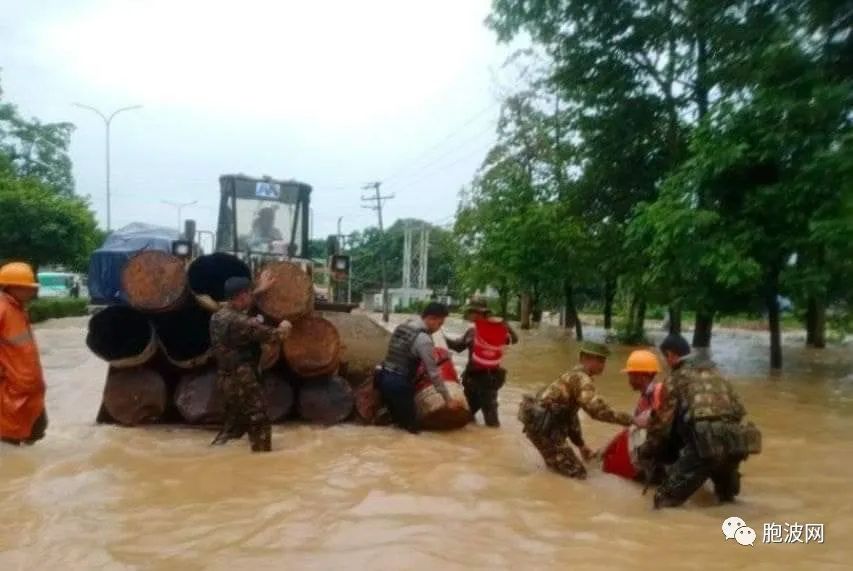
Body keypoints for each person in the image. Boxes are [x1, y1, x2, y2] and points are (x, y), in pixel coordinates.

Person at [640, 333, 762, 508]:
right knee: (726, 501)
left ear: (670, 355)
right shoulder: (718, 374)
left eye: (664, 358)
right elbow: (738, 411)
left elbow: (663, 424)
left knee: (663, 501)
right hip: (735, 444)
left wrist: (649, 450)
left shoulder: (676, 377)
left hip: (703, 446)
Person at [518, 341, 633, 479]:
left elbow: (570, 416)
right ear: (585, 358)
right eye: (600, 360)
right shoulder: (582, 379)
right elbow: (597, 411)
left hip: (541, 427)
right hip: (545, 429)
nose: (603, 365)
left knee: (559, 470)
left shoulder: (573, 375)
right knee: (577, 474)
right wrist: (632, 420)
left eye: (604, 361)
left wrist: (581, 445)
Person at [209, 273, 291, 452]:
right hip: (243, 379)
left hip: (225, 378)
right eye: (248, 294)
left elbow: (234, 306)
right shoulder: (241, 322)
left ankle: (213, 455)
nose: (250, 297)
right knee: (258, 419)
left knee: (233, 426)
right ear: (241, 296)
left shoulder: (218, 316)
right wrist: (285, 327)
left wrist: (259, 290)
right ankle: (262, 463)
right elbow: (275, 336)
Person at [377, 302, 463, 433]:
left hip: (383, 377)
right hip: (399, 385)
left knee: (396, 425)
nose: (439, 328)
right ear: (431, 318)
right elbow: (433, 373)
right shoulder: (423, 340)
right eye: (439, 323)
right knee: (412, 431)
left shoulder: (403, 326)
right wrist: (448, 400)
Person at [446, 298, 518, 427]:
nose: (470, 315)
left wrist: (504, 324)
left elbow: (513, 339)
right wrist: (438, 335)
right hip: (471, 380)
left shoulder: (496, 331)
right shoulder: (472, 331)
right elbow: (457, 346)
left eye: (473, 312)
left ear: (482, 314)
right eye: (470, 312)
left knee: (491, 422)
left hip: (488, 381)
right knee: (466, 419)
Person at [0, 262, 48, 446]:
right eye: (28, 288)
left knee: (35, 430)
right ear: (13, 287)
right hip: (11, 390)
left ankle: (29, 471)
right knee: (10, 436)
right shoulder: (3, 309)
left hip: (29, 389)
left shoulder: (17, 309)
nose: (32, 291)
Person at [601, 350, 665, 481]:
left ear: (640, 376)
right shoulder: (644, 399)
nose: (628, 380)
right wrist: (607, 449)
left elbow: (660, 425)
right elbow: (631, 427)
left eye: (630, 375)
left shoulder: (660, 391)